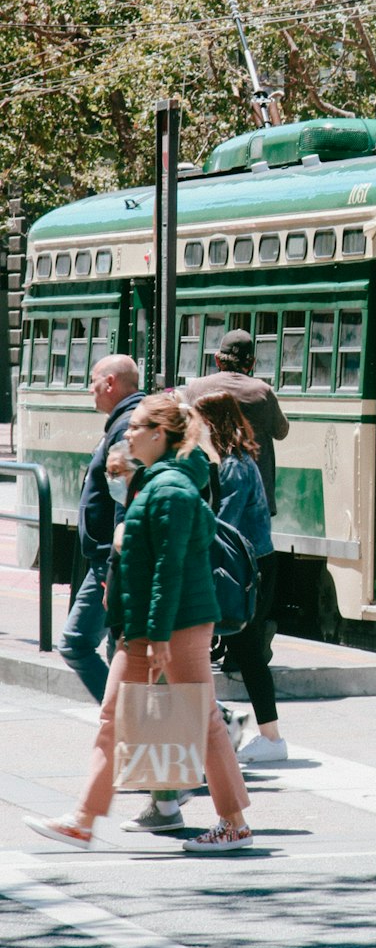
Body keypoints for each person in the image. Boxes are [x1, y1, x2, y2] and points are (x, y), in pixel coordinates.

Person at [25, 393, 253, 852]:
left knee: (200, 719)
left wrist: (159, 633)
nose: (127, 432)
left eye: (137, 427)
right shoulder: (159, 482)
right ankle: (84, 820)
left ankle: (233, 824)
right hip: (156, 626)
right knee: (116, 716)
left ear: (159, 434)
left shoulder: (169, 488)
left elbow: (169, 567)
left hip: (173, 625)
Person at [185, 329, 289, 671]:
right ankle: (247, 636)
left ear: (217, 359)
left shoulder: (196, 388)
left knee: (218, 567)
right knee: (249, 569)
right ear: (252, 363)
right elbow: (281, 430)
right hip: (255, 499)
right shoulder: (261, 391)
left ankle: (231, 637)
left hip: (208, 491)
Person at [193, 391, 287, 765]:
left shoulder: (233, 466)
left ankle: (262, 733)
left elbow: (224, 526)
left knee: (244, 651)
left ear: (212, 422)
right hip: (259, 562)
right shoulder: (243, 458)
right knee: (246, 653)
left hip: (248, 567)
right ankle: (263, 732)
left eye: (200, 422)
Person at [59, 355, 144, 702]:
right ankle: (128, 724)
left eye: (93, 381)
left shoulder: (125, 427)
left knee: (77, 642)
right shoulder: (124, 422)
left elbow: (124, 501)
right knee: (121, 650)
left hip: (111, 559)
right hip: (109, 558)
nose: (90, 389)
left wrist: (114, 565)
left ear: (110, 383)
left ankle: (124, 720)